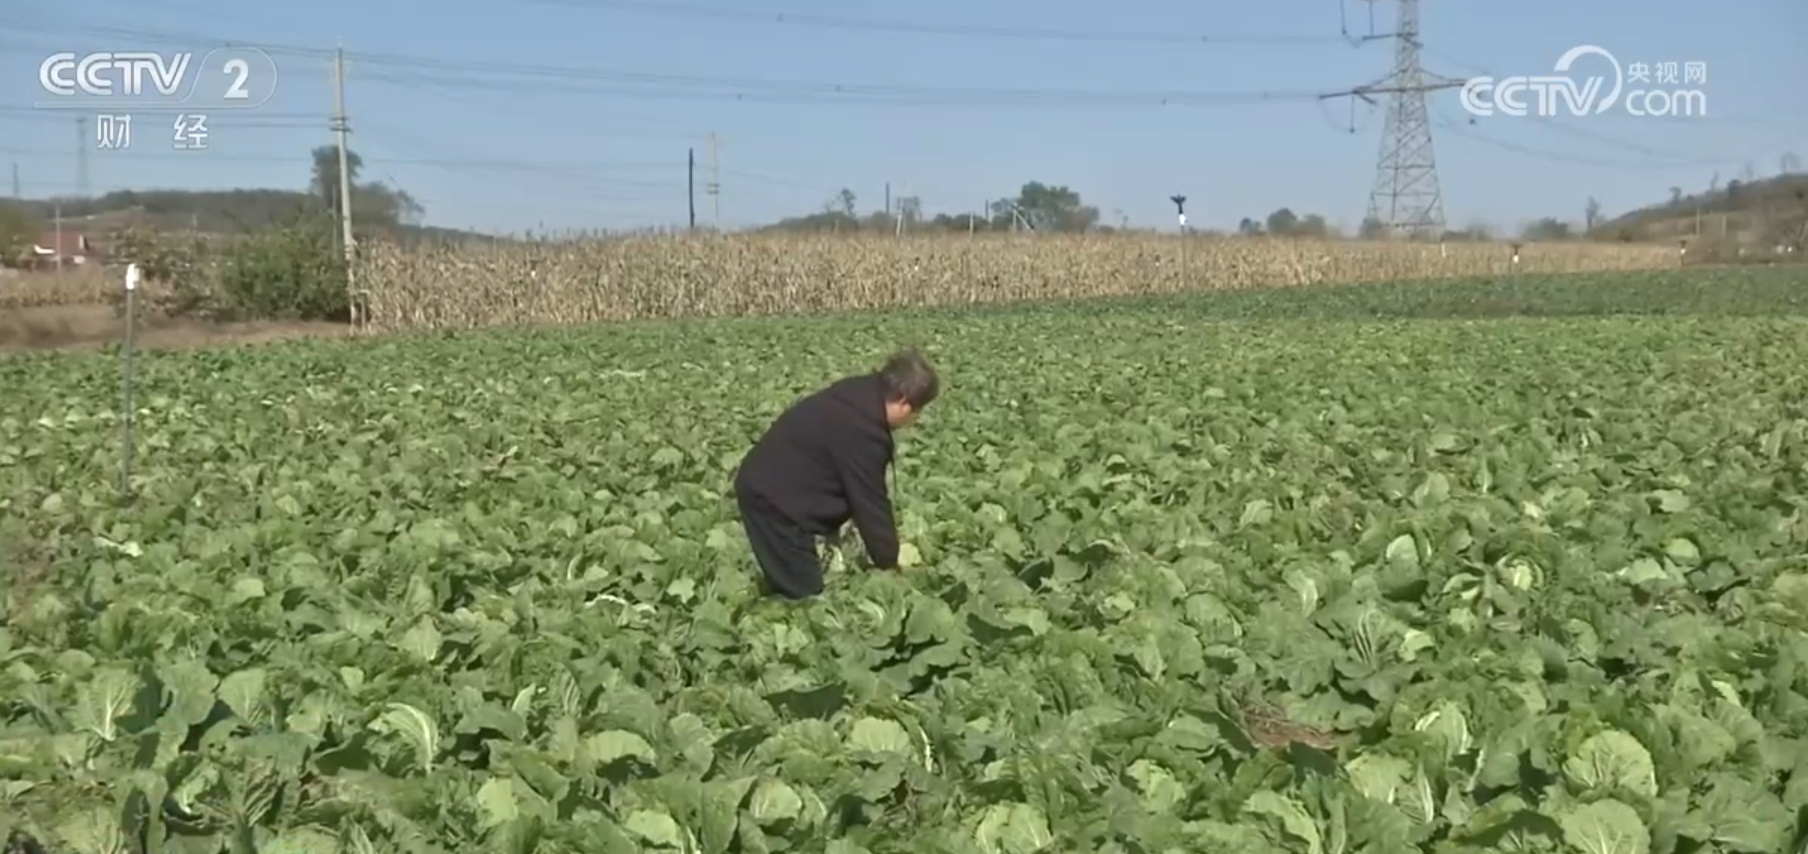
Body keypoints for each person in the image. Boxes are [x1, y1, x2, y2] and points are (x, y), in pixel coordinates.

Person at [732, 348, 940, 599]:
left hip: (782, 486)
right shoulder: (862, 430)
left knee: (801, 584)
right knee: (804, 596)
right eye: (917, 411)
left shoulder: (860, 393)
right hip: (772, 500)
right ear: (904, 402)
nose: (915, 419)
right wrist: (889, 563)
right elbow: (869, 502)